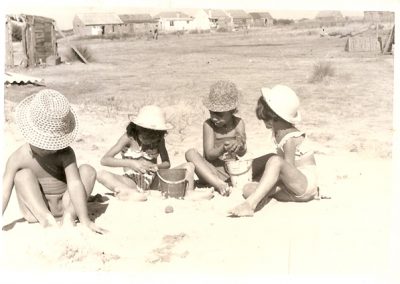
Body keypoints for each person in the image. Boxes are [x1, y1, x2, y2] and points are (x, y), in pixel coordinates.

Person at [2, 89, 105, 233]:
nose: (50, 149)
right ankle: (46, 220)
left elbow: (75, 184)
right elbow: (4, 191)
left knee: (88, 171)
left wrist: (84, 219)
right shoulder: (18, 157)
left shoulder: (65, 153)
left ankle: (69, 217)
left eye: (55, 144)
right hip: (35, 211)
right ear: (30, 135)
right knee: (21, 175)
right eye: (44, 145)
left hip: (66, 206)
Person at [229, 85, 319, 217]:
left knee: (275, 161)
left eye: (266, 119)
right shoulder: (279, 131)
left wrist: (268, 182)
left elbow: (288, 168)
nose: (265, 123)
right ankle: (263, 195)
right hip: (294, 189)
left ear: (276, 117)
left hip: (305, 185)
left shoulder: (290, 138)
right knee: (248, 189)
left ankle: (250, 205)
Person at [97, 105, 213, 201]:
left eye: (155, 138)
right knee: (101, 174)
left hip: (155, 181)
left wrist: (157, 166)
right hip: (131, 181)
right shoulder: (128, 138)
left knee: (189, 166)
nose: (151, 141)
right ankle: (129, 192)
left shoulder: (159, 140)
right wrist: (131, 163)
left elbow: (167, 163)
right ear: (138, 128)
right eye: (147, 137)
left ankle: (189, 192)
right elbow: (105, 160)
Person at [185, 81, 247, 196]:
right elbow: (209, 155)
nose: (214, 118)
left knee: (266, 159)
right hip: (211, 172)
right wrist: (222, 148)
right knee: (190, 153)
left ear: (232, 111)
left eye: (219, 114)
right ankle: (218, 184)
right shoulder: (208, 125)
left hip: (232, 172)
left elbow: (243, 151)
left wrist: (239, 144)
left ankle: (223, 184)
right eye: (211, 113)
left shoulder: (239, 123)